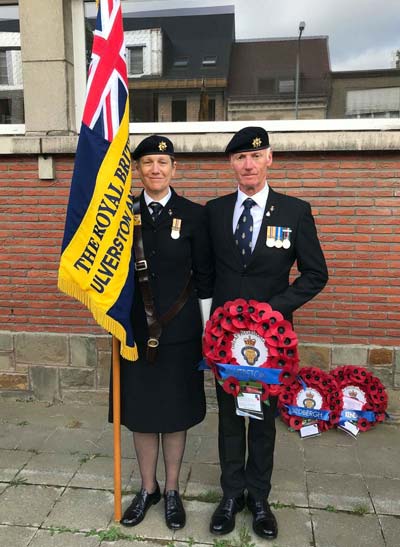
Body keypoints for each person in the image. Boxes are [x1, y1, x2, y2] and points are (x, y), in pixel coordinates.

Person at [206, 126, 328, 540]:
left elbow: (316, 274)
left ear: (270, 159)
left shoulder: (295, 211)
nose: (248, 164)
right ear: (231, 164)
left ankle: (258, 498)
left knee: (261, 422)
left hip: (269, 346)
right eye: (240, 157)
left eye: (256, 156)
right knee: (227, 419)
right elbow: (205, 273)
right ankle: (230, 495)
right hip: (224, 344)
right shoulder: (215, 212)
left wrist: (273, 310)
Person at [109, 135, 213, 530]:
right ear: (138, 169)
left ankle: (172, 490)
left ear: (174, 169)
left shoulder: (194, 214)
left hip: (180, 334)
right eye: (148, 162)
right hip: (134, 334)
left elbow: (204, 277)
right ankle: (147, 488)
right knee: (141, 415)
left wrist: (207, 331)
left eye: (163, 162)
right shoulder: (120, 216)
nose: (155, 169)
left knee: (174, 414)